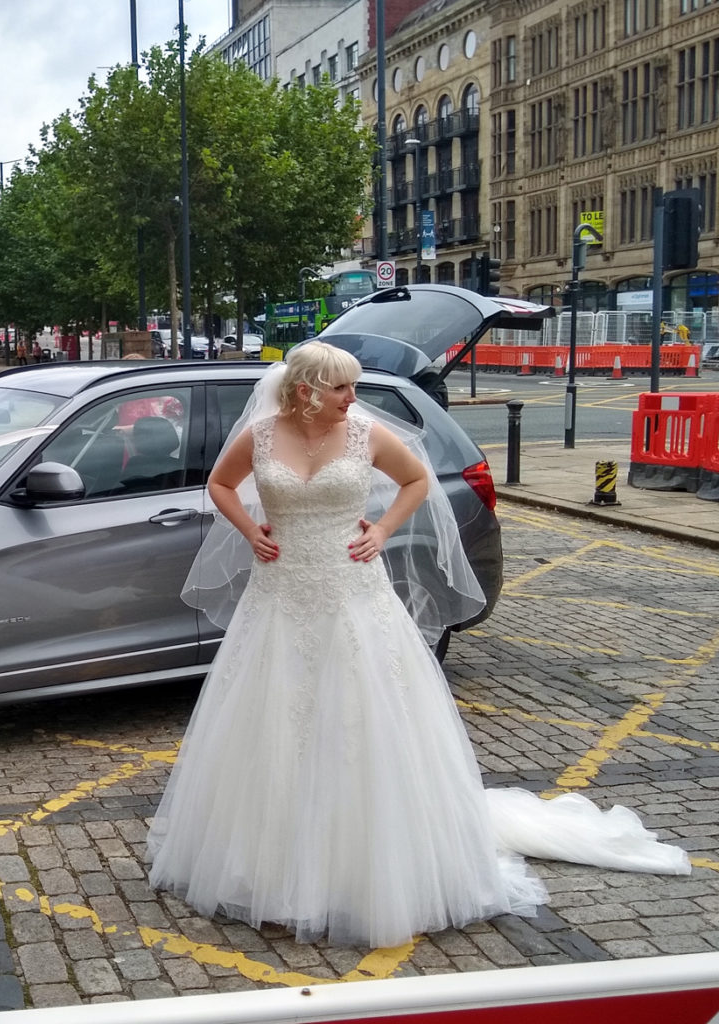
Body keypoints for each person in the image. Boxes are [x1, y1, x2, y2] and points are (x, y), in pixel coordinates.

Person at [147, 341, 690, 949]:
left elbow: (415, 479)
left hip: (354, 592)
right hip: (281, 594)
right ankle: (268, 869)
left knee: (363, 719)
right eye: (341, 388)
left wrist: (380, 529)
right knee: (275, 719)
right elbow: (221, 485)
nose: (353, 398)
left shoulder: (364, 434)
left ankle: (373, 867)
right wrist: (251, 530)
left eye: (353, 387)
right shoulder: (263, 435)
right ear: (306, 392)